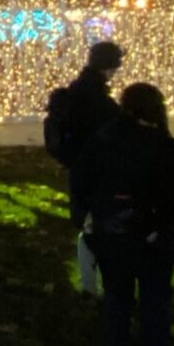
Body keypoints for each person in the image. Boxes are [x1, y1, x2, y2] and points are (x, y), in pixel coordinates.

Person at [70, 82, 174, 346]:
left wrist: (86, 219)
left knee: (116, 297)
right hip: (153, 236)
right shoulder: (165, 147)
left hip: (112, 235)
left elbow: (80, 181)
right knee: (155, 299)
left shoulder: (103, 142)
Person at [45, 40, 125, 297]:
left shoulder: (76, 91)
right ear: (108, 67)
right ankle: (95, 284)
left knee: (88, 225)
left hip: (78, 167)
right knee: (99, 227)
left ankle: (90, 284)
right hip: (97, 170)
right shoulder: (99, 100)